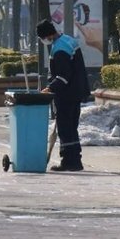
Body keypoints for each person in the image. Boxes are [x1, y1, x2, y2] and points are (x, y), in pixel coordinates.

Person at [37, 19, 90, 171]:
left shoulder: (59, 49)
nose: (43, 41)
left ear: (47, 35)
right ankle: (75, 160)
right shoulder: (67, 40)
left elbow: (63, 76)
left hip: (67, 94)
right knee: (72, 127)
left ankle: (69, 161)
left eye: (42, 38)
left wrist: (50, 88)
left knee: (66, 128)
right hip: (76, 91)